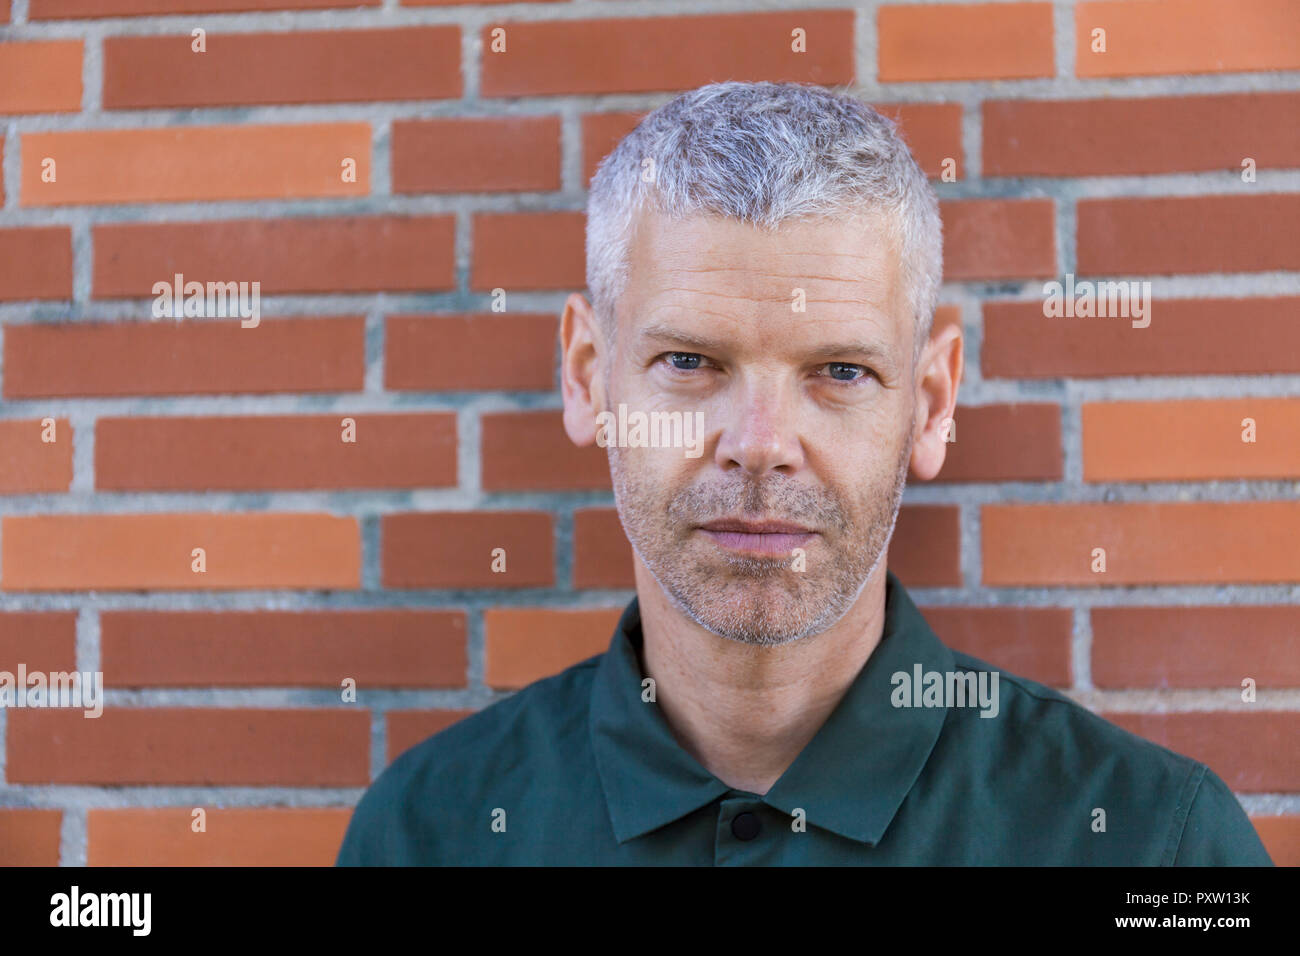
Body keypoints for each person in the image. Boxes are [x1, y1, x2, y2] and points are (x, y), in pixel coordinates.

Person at [337, 81, 1272, 865]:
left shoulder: (1156, 845)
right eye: (691, 362)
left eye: (840, 371)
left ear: (933, 404)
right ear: (588, 378)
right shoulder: (428, 833)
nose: (760, 442)